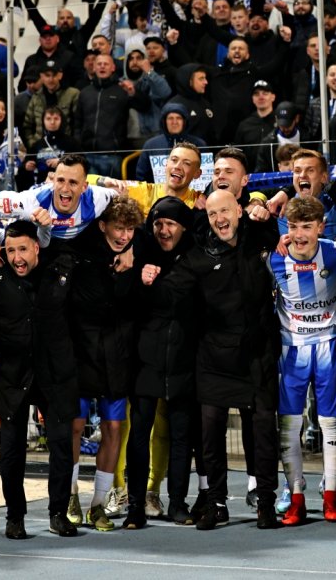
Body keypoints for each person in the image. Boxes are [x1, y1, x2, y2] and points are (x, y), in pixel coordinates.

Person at [143, 190, 280, 530]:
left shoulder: (260, 233)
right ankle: (216, 502)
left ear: (238, 210)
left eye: (226, 211)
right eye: (214, 213)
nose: (220, 219)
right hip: (214, 357)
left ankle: (266, 503)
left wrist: (266, 211)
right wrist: (147, 280)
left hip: (258, 354)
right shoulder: (197, 255)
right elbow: (170, 294)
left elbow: (279, 228)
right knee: (210, 434)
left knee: (263, 431)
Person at [0, 219, 80, 539]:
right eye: (10, 250)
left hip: (55, 374)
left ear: (37, 247)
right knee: (10, 451)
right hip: (11, 375)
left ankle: (58, 514)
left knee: (62, 446)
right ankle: (14, 517)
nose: (17, 257)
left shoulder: (60, 270)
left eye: (23, 248)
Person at [266, 197, 336, 527]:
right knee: (289, 426)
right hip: (291, 351)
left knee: (330, 423)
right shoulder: (274, 257)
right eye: (294, 226)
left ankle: (331, 494)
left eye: (307, 227)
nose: (300, 235)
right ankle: (296, 496)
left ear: (320, 227)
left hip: (329, 346)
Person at [65, 196, 145, 532]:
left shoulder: (137, 253)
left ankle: (98, 505)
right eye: (118, 228)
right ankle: (69, 496)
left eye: (130, 230)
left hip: (117, 356)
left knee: (114, 428)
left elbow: (151, 235)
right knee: (75, 425)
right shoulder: (82, 250)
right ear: (102, 226)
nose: (124, 235)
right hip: (82, 353)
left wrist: (133, 250)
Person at [127, 197, 201, 528]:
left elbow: (176, 299)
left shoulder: (192, 259)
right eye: (157, 223)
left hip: (184, 359)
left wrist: (149, 284)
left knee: (181, 436)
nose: (163, 229)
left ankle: (179, 504)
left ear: (184, 228)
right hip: (145, 360)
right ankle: (134, 507)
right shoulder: (138, 257)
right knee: (139, 433)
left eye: (170, 223)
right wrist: (140, 281)